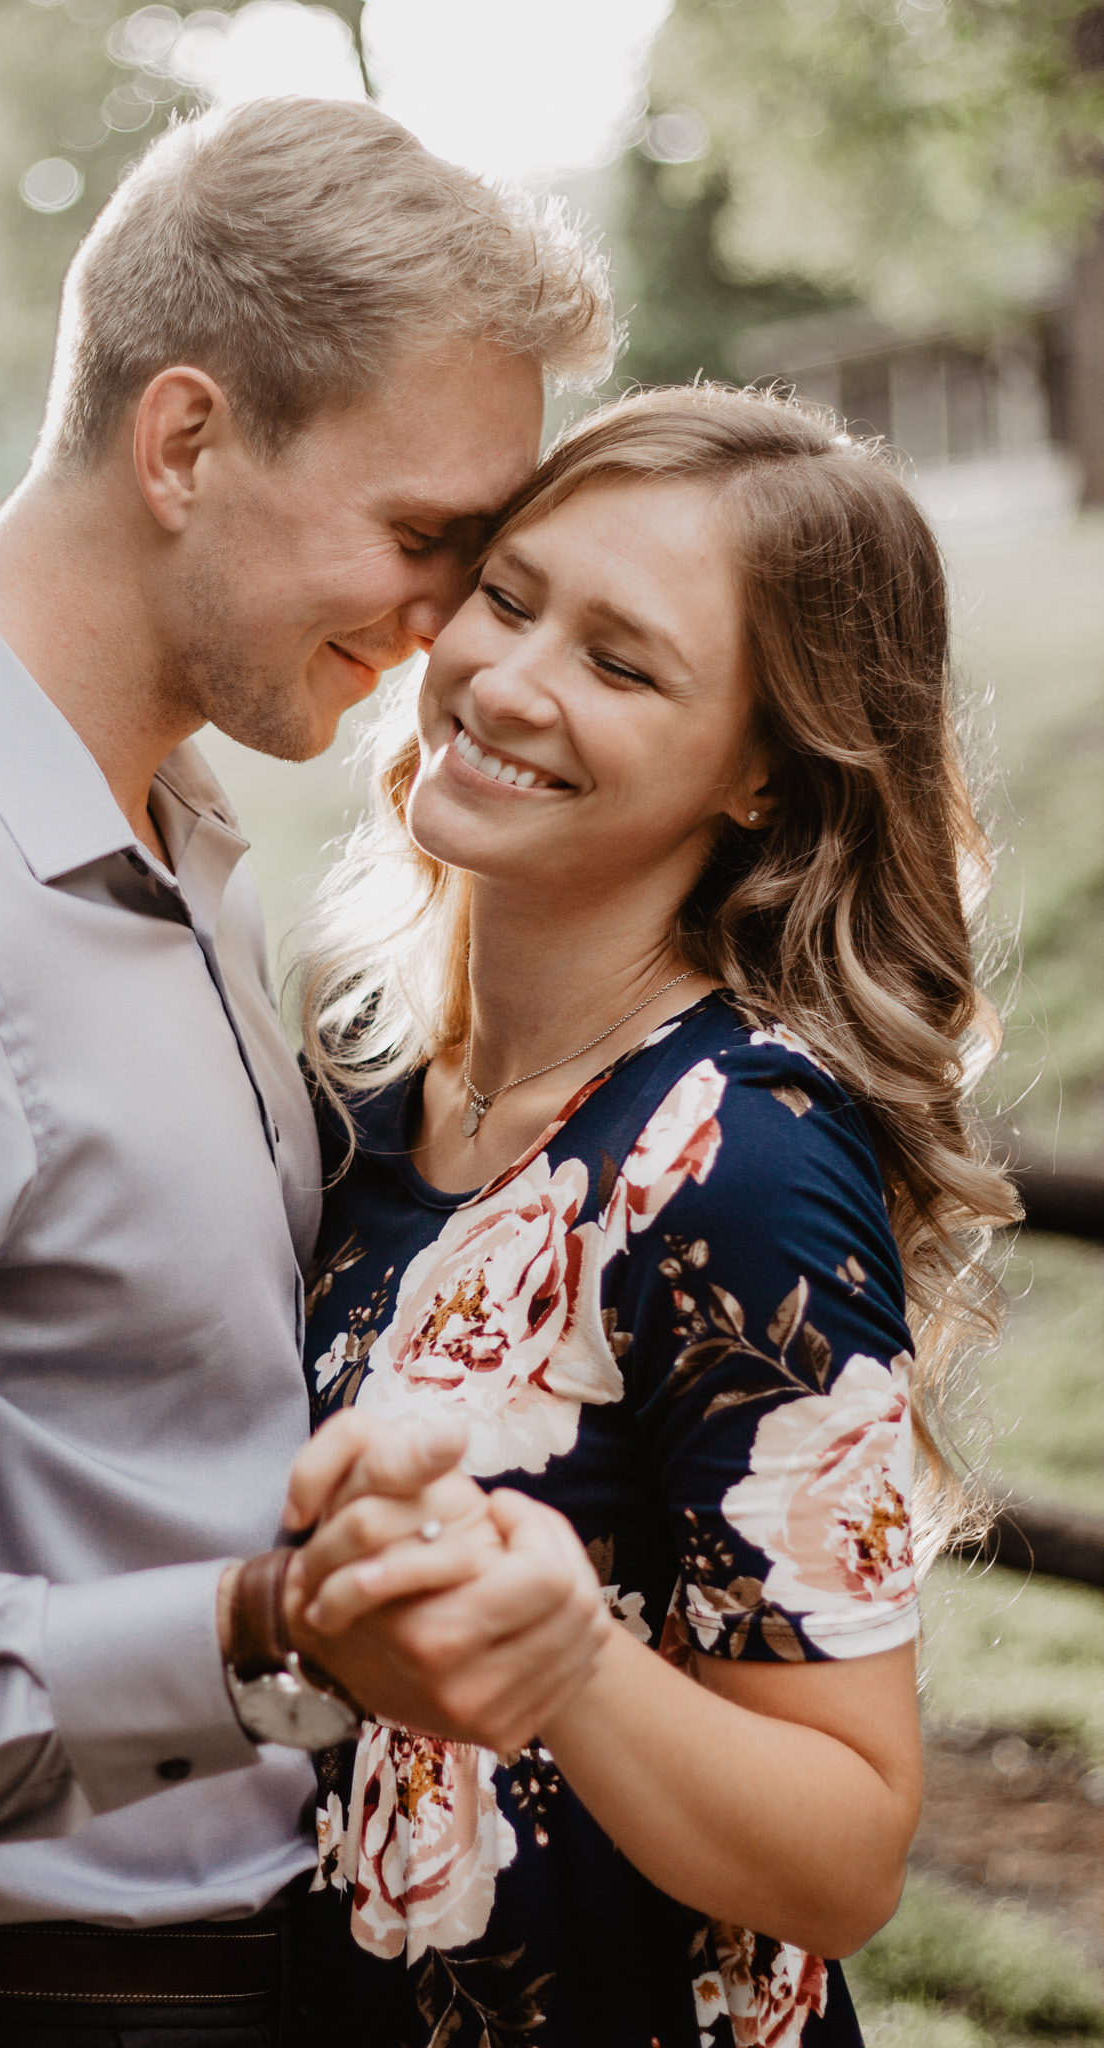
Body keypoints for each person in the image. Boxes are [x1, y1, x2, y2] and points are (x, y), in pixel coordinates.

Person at [0, 98, 617, 2046]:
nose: (447, 624)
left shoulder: (176, 839)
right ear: (188, 441)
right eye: (423, 536)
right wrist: (248, 1631)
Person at [277, 384, 1020, 2047]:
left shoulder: (732, 1160)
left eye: (621, 664)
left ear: (761, 770)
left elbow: (846, 1857)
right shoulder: (364, 1082)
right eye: (509, 597)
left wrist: (573, 1668)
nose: (508, 684)